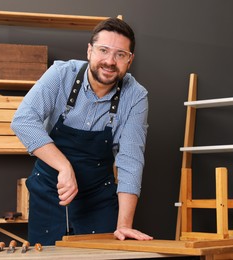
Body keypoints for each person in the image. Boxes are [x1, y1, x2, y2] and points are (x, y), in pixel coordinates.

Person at [11, 17, 153, 245]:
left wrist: (124, 224)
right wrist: (64, 166)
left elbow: (131, 160)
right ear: (89, 51)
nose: (110, 61)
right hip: (51, 191)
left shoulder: (135, 96)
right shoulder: (61, 75)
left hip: (99, 197)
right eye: (103, 50)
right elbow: (23, 121)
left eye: (120, 54)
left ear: (130, 60)